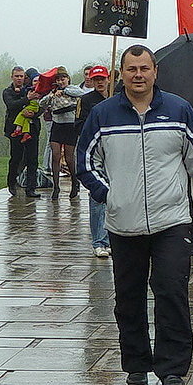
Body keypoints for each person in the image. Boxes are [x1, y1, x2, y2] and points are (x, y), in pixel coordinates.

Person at [76, 44, 193, 385]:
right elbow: (84, 162)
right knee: (128, 297)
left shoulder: (178, 110)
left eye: (144, 68)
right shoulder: (104, 114)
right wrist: (110, 195)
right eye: (131, 69)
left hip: (172, 220)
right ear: (121, 74)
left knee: (171, 291)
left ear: (155, 72)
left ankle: (172, 369)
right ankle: (136, 365)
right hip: (123, 225)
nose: (138, 75)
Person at [74, 66, 112, 256]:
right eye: (96, 79)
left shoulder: (117, 98)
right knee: (98, 195)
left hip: (114, 153)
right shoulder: (86, 100)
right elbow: (78, 125)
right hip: (95, 152)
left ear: (108, 79)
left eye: (102, 79)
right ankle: (98, 240)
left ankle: (110, 237)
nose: (99, 82)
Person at [38, 68, 91, 200]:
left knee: (69, 157)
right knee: (55, 155)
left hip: (69, 125)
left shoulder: (73, 89)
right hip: (57, 125)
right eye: (58, 79)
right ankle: (56, 187)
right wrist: (52, 95)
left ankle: (74, 181)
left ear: (68, 79)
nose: (61, 81)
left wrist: (65, 90)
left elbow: (81, 93)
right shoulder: (53, 92)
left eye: (63, 79)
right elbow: (42, 103)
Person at [3, 66, 41, 198]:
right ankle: (12, 182)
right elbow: (12, 105)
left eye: (21, 76)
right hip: (15, 129)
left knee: (32, 159)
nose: (19, 79)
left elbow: (41, 106)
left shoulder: (32, 89)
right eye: (17, 76)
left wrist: (33, 113)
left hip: (32, 128)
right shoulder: (8, 91)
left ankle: (31, 188)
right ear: (12, 77)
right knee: (16, 157)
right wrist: (27, 99)